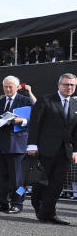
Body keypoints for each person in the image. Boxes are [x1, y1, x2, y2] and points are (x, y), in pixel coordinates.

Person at [26, 73, 77, 224]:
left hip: (65, 152)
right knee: (41, 182)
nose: (69, 87)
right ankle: (38, 205)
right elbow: (35, 124)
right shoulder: (45, 100)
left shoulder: (75, 104)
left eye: (72, 85)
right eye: (66, 84)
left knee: (57, 184)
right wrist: (32, 145)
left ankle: (49, 213)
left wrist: (75, 150)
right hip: (45, 149)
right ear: (59, 85)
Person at [0, 76, 36, 213]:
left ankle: (18, 203)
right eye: (5, 87)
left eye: (10, 86)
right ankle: (1, 202)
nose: (8, 89)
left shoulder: (25, 100)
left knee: (18, 180)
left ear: (17, 87)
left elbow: (34, 120)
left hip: (17, 145)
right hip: (0, 145)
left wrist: (23, 121)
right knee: (2, 177)